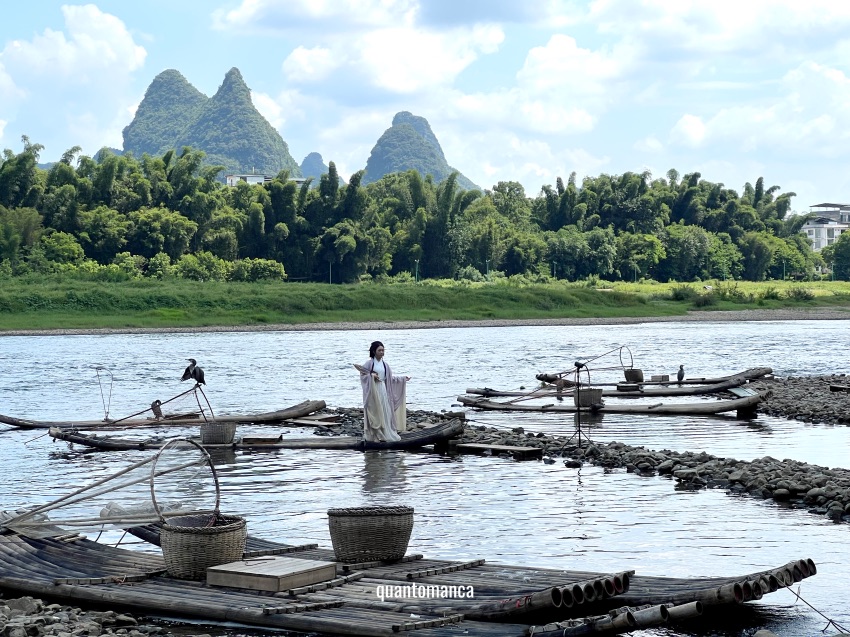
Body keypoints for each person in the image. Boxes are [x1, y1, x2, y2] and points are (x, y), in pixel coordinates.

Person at [356, 341, 410, 442]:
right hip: (373, 390)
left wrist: (402, 378)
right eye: (379, 350)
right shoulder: (369, 363)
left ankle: (385, 433)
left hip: (382, 389)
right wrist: (371, 376)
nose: (382, 352)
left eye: (383, 350)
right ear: (374, 351)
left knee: (385, 411)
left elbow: (389, 379)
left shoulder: (385, 365)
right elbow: (363, 375)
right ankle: (375, 435)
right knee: (375, 411)